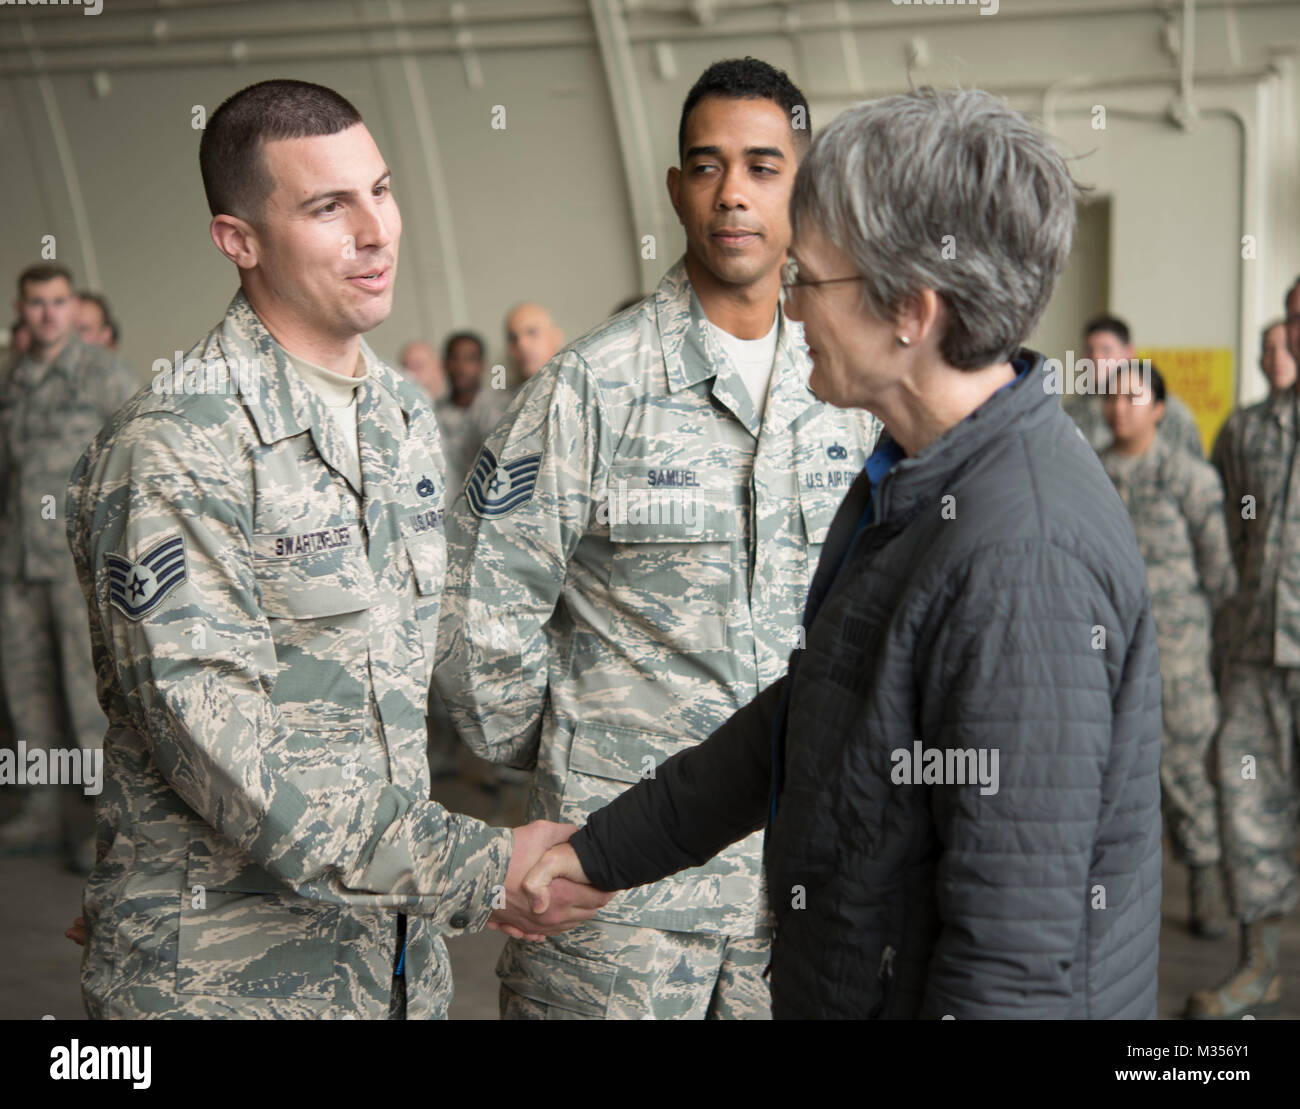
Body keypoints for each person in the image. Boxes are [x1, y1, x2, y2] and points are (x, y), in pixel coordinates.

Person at [522, 86, 1163, 1020]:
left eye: (808, 281)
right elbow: (815, 715)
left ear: (909, 308)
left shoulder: (1023, 556)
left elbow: (1010, 967)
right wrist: (601, 852)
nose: (789, 308)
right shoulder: (913, 474)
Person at [64, 78, 605, 1019]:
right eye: (328, 206)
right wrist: (486, 862)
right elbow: (221, 752)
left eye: (383, 191)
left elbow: (433, 656)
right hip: (229, 979)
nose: (376, 230)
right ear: (239, 239)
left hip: (390, 964)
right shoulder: (173, 446)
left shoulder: (398, 414)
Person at [436, 57, 878, 1020]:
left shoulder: (850, 387)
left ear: (805, 185)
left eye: (764, 167)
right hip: (616, 894)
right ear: (676, 190)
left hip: (800, 887)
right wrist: (571, 746)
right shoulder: (590, 385)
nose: (734, 196)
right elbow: (478, 612)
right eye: (707, 166)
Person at [1186, 283, 1300, 1019]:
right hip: (1256, 654)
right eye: (1294, 315)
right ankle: (1259, 965)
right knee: (1247, 801)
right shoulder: (1249, 430)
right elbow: (1226, 535)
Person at [0, 263, 137, 870]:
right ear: (22, 309)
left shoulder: (101, 373)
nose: (49, 314)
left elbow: (140, 451)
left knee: (88, 697)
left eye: (59, 302)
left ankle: (109, 824)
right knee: (26, 693)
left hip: (74, 562)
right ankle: (40, 810)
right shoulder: (16, 378)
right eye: (37, 303)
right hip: (16, 562)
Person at [1099, 364, 1234, 939]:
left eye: (1134, 397)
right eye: (1112, 396)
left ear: (1159, 408)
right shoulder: (1090, 473)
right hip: (1106, 650)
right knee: (1110, 773)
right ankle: (1116, 893)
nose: (1120, 407)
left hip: (1177, 655)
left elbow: (1220, 571)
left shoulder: (1189, 477)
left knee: (1187, 772)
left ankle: (1204, 885)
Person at [1065, 314, 1204, 457]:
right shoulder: (1072, 412)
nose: (1096, 358)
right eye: (1089, 350)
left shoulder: (1164, 410)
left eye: (1106, 350)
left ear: (1129, 353)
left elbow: (1191, 464)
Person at [437, 330, 508, 497]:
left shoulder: (502, 410)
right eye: (454, 358)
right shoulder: (433, 415)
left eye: (469, 359)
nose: (461, 367)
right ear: (445, 364)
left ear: (481, 365)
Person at [504, 301, 563, 386]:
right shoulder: (499, 397)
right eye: (513, 338)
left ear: (556, 337)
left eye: (531, 332)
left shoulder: (582, 388)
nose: (521, 345)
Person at [398, 338, 448, 404]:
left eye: (417, 366)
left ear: (439, 369)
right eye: (404, 367)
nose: (409, 373)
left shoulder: (453, 409)